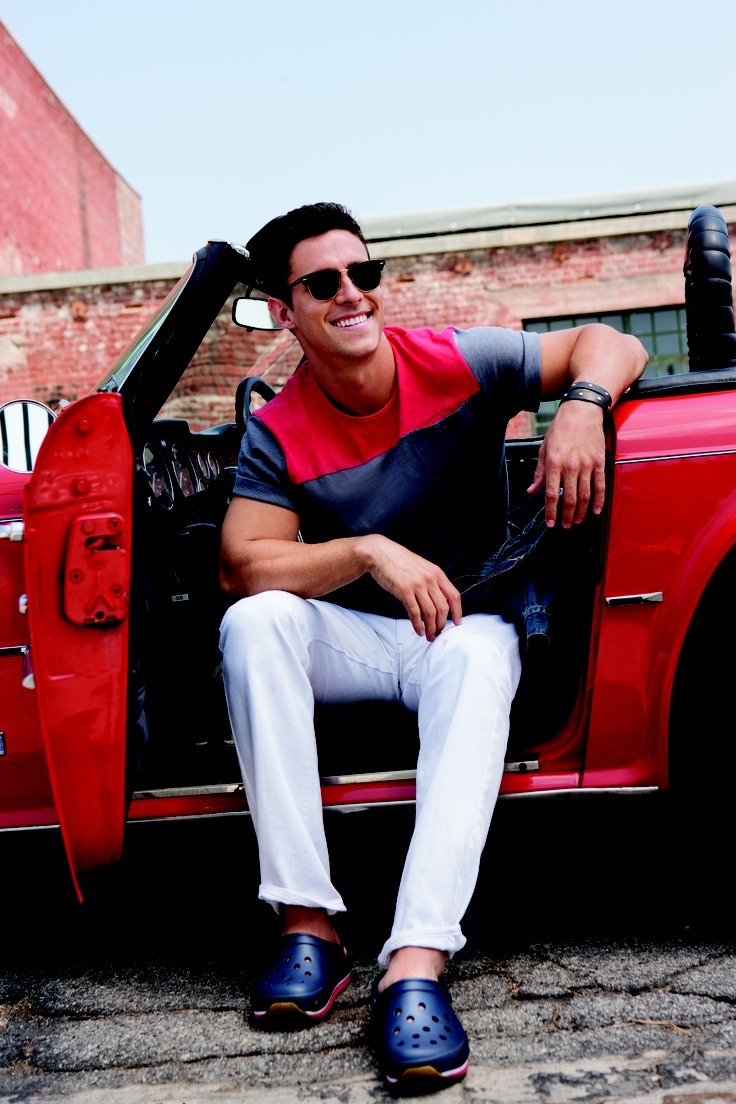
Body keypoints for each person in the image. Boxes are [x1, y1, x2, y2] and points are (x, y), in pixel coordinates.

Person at [218, 202, 648, 1093]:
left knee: (480, 656)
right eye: (324, 283)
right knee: (252, 623)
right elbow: (243, 563)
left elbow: (609, 341)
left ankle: (416, 962)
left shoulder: (454, 360)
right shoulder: (279, 426)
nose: (352, 294)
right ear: (285, 311)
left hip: (465, 624)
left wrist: (582, 406)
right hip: (362, 637)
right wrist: (366, 551)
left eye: (363, 273)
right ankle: (308, 925)